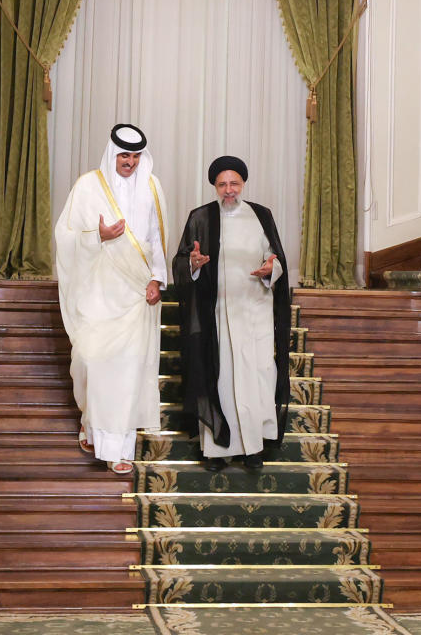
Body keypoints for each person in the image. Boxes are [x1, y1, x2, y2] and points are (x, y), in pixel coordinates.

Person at [54, 124, 168, 475]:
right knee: (90, 359)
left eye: (135, 156)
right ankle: (91, 423)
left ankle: (119, 449)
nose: (130, 162)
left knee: (128, 370)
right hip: (97, 289)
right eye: (124, 155)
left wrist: (157, 279)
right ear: (111, 153)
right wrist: (98, 236)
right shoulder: (87, 186)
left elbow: (155, 238)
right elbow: (65, 236)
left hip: (136, 292)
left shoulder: (152, 185)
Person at [171, 156, 291, 472]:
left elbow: (278, 260)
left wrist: (271, 269)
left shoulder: (262, 215)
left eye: (234, 183)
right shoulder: (200, 217)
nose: (228, 190)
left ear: (243, 184)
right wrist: (193, 265)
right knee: (221, 380)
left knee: (256, 380)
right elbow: (181, 262)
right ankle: (217, 451)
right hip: (217, 316)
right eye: (222, 184)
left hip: (255, 313)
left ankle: (252, 449)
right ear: (214, 186)